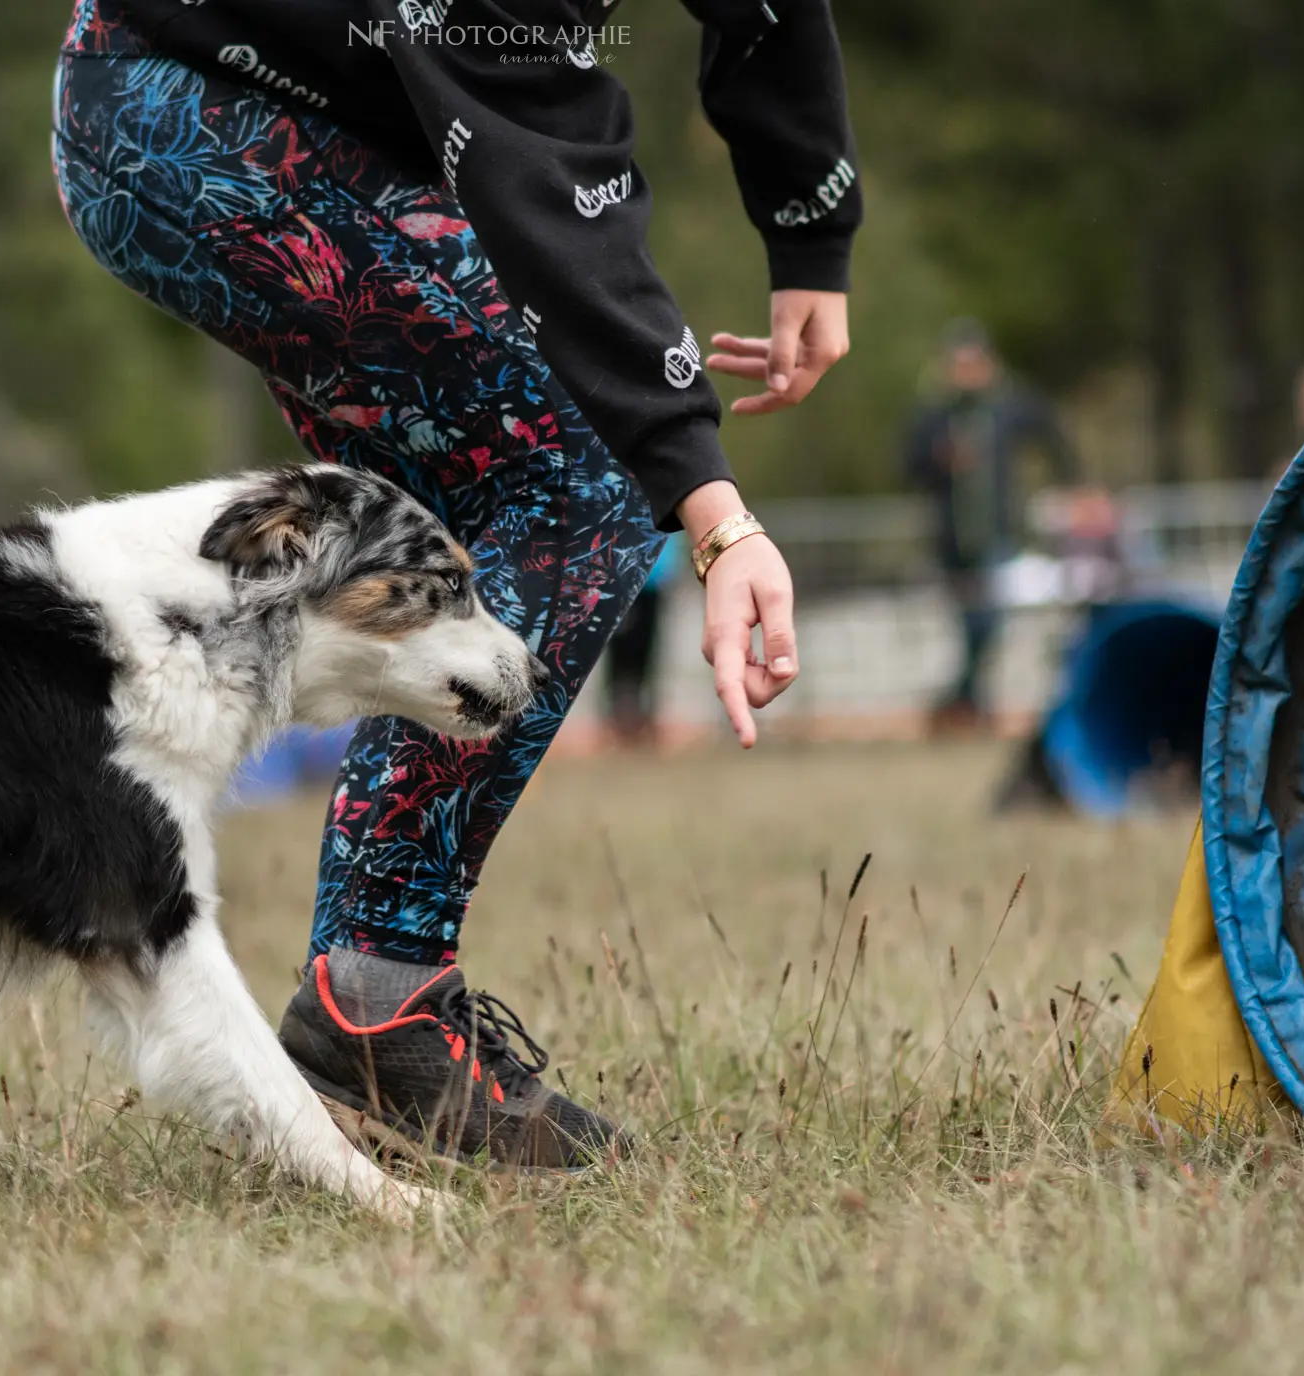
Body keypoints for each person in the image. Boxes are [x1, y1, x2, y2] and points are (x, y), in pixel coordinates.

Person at [53, 0, 859, 1167]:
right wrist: (717, 514)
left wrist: (808, 226)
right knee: (579, 472)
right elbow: (546, 188)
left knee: (467, 484)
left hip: (358, 100)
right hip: (182, 105)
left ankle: (356, 1008)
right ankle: (370, 995)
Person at [904, 320, 1073, 729]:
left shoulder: (1006, 406)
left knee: (990, 622)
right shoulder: (933, 415)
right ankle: (966, 702)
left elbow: (1053, 434)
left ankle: (961, 701)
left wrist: (1074, 486)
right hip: (953, 542)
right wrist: (941, 461)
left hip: (998, 535)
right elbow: (909, 467)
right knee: (970, 625)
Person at [603, 535, 684, 748]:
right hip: (621, 581)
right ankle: (619, 720)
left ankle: (642, 720)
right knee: (620, 653)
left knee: (647, 653)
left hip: (653, 582)